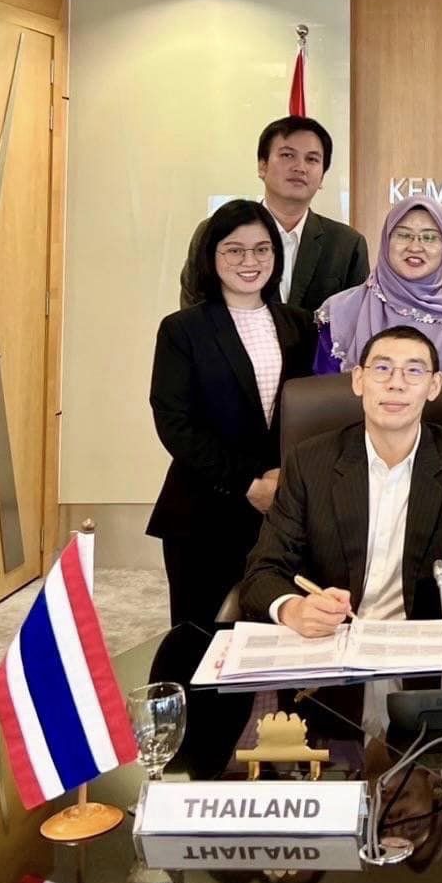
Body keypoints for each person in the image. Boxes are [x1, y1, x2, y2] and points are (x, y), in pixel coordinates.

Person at [239, 324, 442, 638]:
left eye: (414, 371)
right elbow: (264, 569)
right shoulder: (308, 462)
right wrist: (293, 609)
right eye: (382, 369)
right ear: (358, 380)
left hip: (427, 644)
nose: (396, 384)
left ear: (434, 385)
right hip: (333, 641)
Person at [149, 199, 317, 627]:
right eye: (234, 250)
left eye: (262, 249)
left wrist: (283, 479)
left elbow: (310, 415)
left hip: (282, 508)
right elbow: (175, 422)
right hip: (205, 509)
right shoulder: (182, 329)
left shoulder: (301, 325)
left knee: (275, 636)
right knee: (202, 639)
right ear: (212, 256)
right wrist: (247, 483)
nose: (250, 261)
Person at [179, 116, 368, 312]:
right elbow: (193, 312)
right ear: (262, 166)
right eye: (287, 155)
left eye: (312, 159)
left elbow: (357, 319)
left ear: (322, 177)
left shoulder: (346, 244)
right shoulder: (215, 232)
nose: (300, 167)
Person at [315, 196, 442, 375]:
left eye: (429, 237)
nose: (415, 247)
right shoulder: (341, 311)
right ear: (386, 240)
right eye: (404, 235)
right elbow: (325, 388)